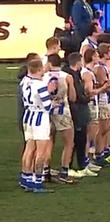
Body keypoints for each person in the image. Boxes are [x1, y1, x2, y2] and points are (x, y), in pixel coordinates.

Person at [20, 57, 56, 192]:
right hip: (40, 119)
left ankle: (26, 177)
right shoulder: (40, 85)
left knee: (29, 148)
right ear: (40, 69)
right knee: (41, 152)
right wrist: (50, 92)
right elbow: (47, 106)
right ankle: (37, 182)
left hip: (28, 117)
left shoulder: (24, 81)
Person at [43, 54, 78, 184]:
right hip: (63, 112)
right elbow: (73, 97)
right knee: (69, 143)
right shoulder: (67, 77)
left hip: (47, 112)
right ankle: (64, 173)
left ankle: (45, 171)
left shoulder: (43, 76)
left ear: (49, 63)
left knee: (49, 141)